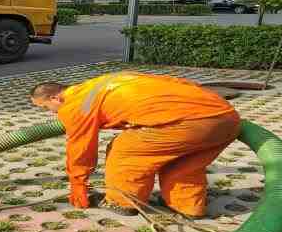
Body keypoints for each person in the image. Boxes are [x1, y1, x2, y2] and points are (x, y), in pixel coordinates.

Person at [30, 72, 240, 218]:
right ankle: (186, 207)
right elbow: (176, 81)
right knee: (181, 163)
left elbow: (81, 149)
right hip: (225, 117)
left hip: (187, 123)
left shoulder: (76, 105)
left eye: (45, 107)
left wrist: (78, 185)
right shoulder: (105, 81)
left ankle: (122, 202)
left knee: (124, 151)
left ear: (56, 97)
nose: (50, 113)